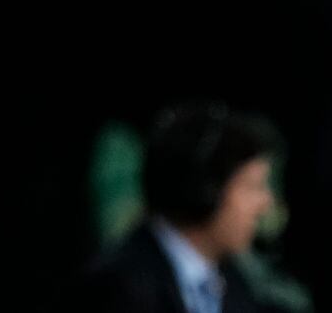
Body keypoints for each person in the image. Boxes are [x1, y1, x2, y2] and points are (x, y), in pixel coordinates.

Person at [70, 102, 280, 313]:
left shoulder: (238, 284)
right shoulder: (118, 288)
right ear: (204, 190)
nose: (265, 203)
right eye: (252, 186)